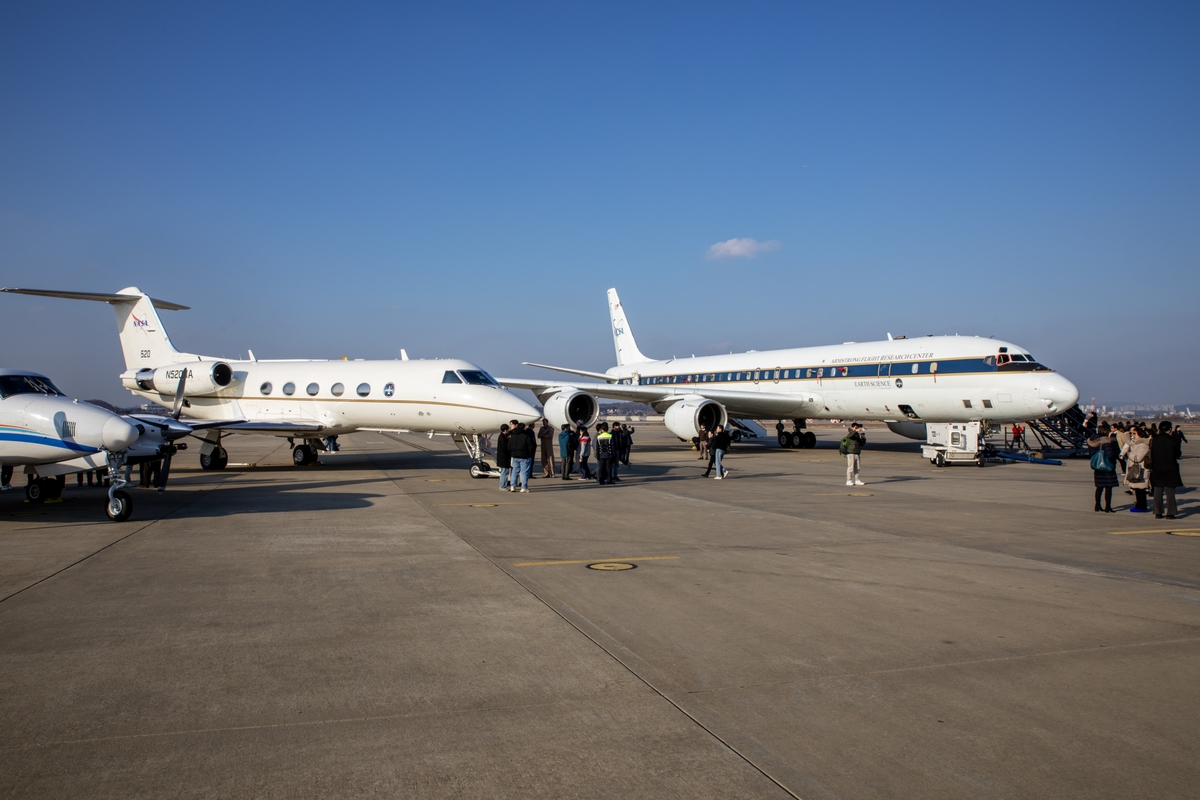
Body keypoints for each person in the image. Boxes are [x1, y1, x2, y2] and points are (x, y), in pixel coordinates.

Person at [1150, 421, 1183, 518]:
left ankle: (1158, 512)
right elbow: (1178, 454)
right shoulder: (1172, 440)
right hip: (1170, 467)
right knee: (1170, 491)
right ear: (1169, 429)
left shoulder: (1154, 440)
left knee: (1158, 490)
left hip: (1157, 467)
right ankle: (1171, 513)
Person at [1088, 421, 1120, 512]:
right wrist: (1114, 461)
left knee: (1099, 487)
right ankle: (1107, 506)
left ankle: (1097, 504)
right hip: (1106, 466)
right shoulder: (1105, 441)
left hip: (1097, 466)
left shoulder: (1092, 441)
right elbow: (1110, 454)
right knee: (1108, 487)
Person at [1121, 427, 1151, 513]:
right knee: (1138, 490)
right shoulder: (1138, 444)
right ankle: (1139, 506)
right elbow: (1129, 443)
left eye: (1135, 434)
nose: (1133, 436)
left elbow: (1138, 458)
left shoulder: (1143, 445)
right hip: (1137, 470)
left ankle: (1141, 507)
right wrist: (1127, 435)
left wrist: (1130, 454)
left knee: (1140, 490)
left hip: (1141, 471)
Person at [509, 422, 536, 492]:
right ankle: (524, 487)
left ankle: (513, 486)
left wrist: (512, 453)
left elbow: (509, 446)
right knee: (524, 472)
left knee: (515, 471)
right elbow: (531, 447)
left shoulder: (513, 436)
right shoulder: (526, 436)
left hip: (515, 456)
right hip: (525, 456)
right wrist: (530, 455)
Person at [495, 424, 512, 491]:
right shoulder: (502, 437)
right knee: (504, 473)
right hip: (504, 458)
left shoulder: (502, 436)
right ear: (505, 430)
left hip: (503, 457)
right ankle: (502, 486)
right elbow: (505, 447)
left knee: (504, 472)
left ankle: (503, 485)